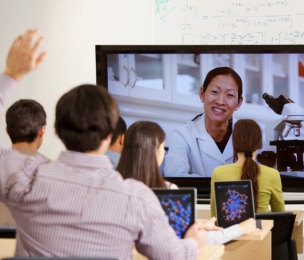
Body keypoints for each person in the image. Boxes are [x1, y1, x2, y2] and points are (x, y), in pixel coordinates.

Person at [0, 29, 207, 259]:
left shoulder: (24, 178)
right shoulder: (135, 198)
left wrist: (12, 74)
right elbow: (173, 256)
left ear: (57, 129)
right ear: (111, 134)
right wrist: (193, 243)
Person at [117, 120, 257, 244]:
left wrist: (200, 226)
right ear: (155, 152)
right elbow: (193, 241)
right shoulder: (168, 194)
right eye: (162, 147)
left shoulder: (113, 187)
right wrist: (240, 228)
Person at [163, 66, 244, 177]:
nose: (220, 101)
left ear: (238, 103)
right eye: (215, 92)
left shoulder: (247, 134)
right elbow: (175, 176)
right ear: (202, 94)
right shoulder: (182, 135)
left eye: (229, 95)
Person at [210, 119, 285, 217]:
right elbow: (280, 216)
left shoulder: (218, 172)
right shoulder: (272, 174)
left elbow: (215, 216)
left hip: (230, 232)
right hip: (261, 232)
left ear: (234, 144)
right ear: (259, 144)